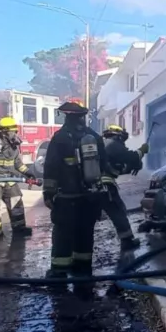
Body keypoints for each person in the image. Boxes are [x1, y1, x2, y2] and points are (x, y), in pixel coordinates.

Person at [42, 99, 108, 277]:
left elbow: (51, 167)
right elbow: (103, 165)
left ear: (67, 117)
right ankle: (83, 267)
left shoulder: (60, 137)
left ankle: (59, 270)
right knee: (85, 231)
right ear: (82, 118)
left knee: (63, 234)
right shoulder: (94, 137)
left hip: (66, 197)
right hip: (89, 196)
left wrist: (48, 192)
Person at [0, 116, 37, 237]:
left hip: (9, 179)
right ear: (4, 131)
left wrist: (28, 172)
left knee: (16, 203)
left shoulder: (14, 145)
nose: (15, 133)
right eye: (13, 131)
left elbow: (17, 163)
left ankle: (19, 228)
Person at [100, 124, 149, 250]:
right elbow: (131, 156)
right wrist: (142, 151)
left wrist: (133, 165)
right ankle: (127, 241)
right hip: (105, 187)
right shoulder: (113, 144)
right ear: (118, 136)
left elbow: (118, 168)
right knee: (118, 212)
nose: (123, 143)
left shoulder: (104, 144)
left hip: (93, 186)